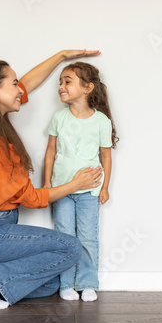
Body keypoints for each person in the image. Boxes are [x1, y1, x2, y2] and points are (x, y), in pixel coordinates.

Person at [0, 50, 103, 310]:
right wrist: (74, 185)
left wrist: (62, 56)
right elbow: (31, 199)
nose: (20, 91)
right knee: (71, 248)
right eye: (13, 84)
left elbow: (28, 83)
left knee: (49, 282)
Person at [44, 62, 119, 302]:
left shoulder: (101, 122)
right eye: (60, 82)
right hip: (61, 190)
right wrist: (47, 185)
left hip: (90, 191)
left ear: (87, 88)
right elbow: (50, 152)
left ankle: (87, 282)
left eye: (67, 81)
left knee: (87, 237)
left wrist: (105, 187)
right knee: (65, 236)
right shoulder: (58, 117)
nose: (61, 86)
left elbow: (106, 156)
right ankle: (66, 283)